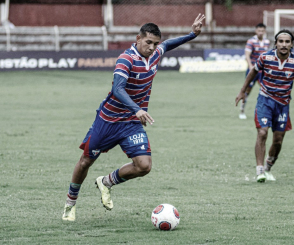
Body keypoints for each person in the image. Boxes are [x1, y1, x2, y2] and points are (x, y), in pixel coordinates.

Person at [62, 14, 205, 221]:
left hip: (131, 123)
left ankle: (106, 182)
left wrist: (192, 34)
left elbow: (168, 44)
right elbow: (118, 89)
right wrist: (137, 108)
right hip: (108, 121)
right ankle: (70, 203)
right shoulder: (126, 59)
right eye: (148, 42)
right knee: (85, 162)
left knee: (144, 166)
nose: (152, 47)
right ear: (138, 39)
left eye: (155, 43)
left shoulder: (156, 53)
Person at [235, 29, 294, 183]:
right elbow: (252, 73)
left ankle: (268, 167)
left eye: (287, 42)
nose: (283, 44)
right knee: (262, 133)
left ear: (291, 44)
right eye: (280, 41)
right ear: (275, 43)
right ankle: (260, 170)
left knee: (278, 140)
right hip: (265, 100)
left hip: (283, 104)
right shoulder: (265, 57)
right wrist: (242, 91)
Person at [239, 23, 270, 120]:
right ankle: (242, 110)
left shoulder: (267, 42)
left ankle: (267, 112)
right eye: (259, 31)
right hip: (253, 70)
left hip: (262, 71)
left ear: (264, 31)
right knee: (247, 90)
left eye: (262, 31)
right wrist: (250, 66)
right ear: (256, 31)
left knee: (267, 91)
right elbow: (247, 55)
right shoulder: (251, 41)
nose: (260, 32)